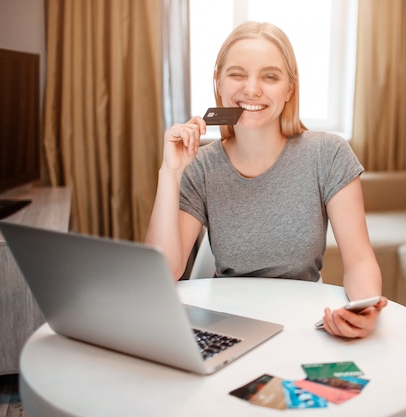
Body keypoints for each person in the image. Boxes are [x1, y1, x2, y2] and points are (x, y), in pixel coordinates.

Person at [145, 21, 387, 339]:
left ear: (289, 89)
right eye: (237, 74)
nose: (252, 89)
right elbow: (162, 276)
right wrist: (170, 173)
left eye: (270, 76)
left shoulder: (328, 153)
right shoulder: (200, 166)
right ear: (218, 81)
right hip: (228, 325)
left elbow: (358, 258)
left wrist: (363, 309)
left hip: (302, 324)